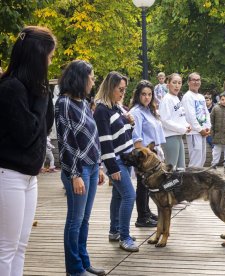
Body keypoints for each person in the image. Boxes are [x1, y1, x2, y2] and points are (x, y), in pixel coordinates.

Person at [0, 26, 56, 276]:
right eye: (50, 56)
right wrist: (43, 95)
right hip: (8, 175)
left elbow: (46, 126)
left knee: (21, 246)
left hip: (29, 177)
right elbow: (27, 134)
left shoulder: (32, 90)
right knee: (6, 248)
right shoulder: (10, 88)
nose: (50, 62)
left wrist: (42, 92)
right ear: (37, 56)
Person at [55, 60, 106, 276]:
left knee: (85, 219)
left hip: (92, 167)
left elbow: (93, 137)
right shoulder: (64, 103)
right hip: (77, 170)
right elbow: (66, 143)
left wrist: (100, 166)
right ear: (80, 77)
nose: (93, 82)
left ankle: (84, 262)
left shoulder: (84, 103)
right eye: (92, 77)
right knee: (75, 221)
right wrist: (75, 174)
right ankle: (74, 270)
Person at [94, 71, 139, 252]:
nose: (123, 93)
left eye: (124, 89)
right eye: (120, 89)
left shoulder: (116, 107)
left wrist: (130, 122)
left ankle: (115, 231)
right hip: (116, 160)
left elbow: (123, 133)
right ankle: (124, 237)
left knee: (119, 195)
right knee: (129, 195)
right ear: (110, 88)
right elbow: (105, 142)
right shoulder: (102, 110)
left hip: (124, 158)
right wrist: (112, 168)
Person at [129, 80, 165, 227]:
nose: (147, 97)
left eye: (150, 94)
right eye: (143, 94)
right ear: (138, 95)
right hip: (143, 155)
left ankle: (147, 212)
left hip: (152, 152)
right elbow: (136, 139)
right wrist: (149, 156)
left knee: (148, 185)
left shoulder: (149, 110)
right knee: (142, 185)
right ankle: (142, 217)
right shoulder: (136, 112)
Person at [159, 73, 191, 171]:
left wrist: (187, 125)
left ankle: (179, 187)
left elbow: (180, 117)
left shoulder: (176, 98)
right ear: (168, 84)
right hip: (170, 137)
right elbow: (165, 120)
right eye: (174, 82)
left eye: (179, 83)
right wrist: (182, 128)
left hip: (178, 136)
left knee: (181, 169)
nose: (177, 85)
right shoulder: (166, 99)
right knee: (171, 169)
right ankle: (168, 187)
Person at [182, 72, 211, 167]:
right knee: (195, 160)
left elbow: (206, 113)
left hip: (203, 131)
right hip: (194, 132)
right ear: (189, 82)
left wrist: (208, 127)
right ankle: (191, 180)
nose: (196, 82)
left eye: (198, 80)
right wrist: (200, 129)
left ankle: (198, 180)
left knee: (202, 159)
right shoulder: (187, 96)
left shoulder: (201, 97)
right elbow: (190, 116)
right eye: (193, 80)